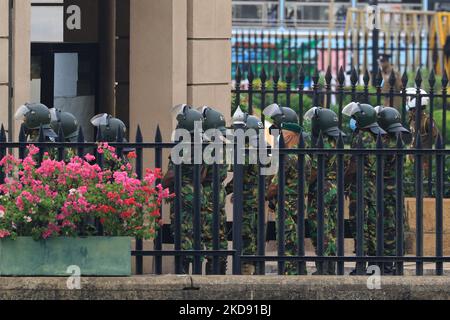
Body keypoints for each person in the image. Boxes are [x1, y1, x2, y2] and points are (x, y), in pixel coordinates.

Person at [265, 104, 310, 275]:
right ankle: (299, 269)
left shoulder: (288, 158)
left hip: (287, 205)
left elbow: (275, 186)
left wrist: (264, 195)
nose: (277, 136)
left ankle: (289, 273)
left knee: (287, 240)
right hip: (297, 203)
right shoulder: (303, 156)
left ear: (289, 136)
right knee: (296, 238)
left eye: (281, 133)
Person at [343, 102, 387, 274]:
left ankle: (360, 265)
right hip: (372, 187)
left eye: (354, 117)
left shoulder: (361, 137)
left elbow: (353, 166)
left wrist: (344, 181)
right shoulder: (376, 136)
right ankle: (374, 265)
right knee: (371, 225)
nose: (352, 120)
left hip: (360, 188)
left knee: (359, 225)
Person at [162, 104, 204, 274]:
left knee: (182, 236)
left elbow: (171, 175)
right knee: (196, 234)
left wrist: (161, 184)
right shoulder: (202, 146)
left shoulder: (182, 147)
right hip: (197, 195)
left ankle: (183, 274)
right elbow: (202, 174)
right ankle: (197, 273)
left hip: (182, 197)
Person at [304, 107, 346, 275]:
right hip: (334, 187)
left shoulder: (322, 143)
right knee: (332, 229)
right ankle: (330, 267)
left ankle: (324, 267)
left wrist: (304, 186)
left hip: (321, 189)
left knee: (319, 228)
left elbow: (314, 171)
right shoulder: (336, 141)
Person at [225, 107, 265, 275]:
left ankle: (246, 268)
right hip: (256, 196)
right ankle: (254, 265)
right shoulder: (260, 147)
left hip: (247, 198)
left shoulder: (246, 149)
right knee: (255, 231)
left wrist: (224, 190)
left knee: (246, 233)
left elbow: (239, 176)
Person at [375, 106, 410, 274]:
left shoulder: (386, 144)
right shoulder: (398, 141)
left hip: (388, 193)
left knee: (389, 228)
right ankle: (396, 263)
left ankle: (388, 265)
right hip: (396, 191)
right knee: (397, 227)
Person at [198, 106, 229, 275]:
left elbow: (201, 177)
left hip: (209, 194)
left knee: (210, 236)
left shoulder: (209, 147)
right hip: (219, 192)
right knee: (219, 234)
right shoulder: (221, 145)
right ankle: (219, 274)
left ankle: (213, 277)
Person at [404, 87, 440, 171]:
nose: (409, 112)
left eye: (411, 110)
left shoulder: (427, 120)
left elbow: (437, 137)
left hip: (424, 160)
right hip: (413, 156)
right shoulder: (412, 120)